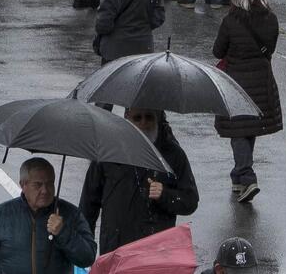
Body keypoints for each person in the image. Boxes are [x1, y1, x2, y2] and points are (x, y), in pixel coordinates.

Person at [78, 107, 199, 252]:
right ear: (127, 118)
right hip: (115, 249)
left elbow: (190, 201)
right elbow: (88, 204)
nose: (143, 123)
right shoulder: (108, 152)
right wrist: (83, 248)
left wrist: (165, 195)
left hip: (157, 251)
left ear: (157, 118)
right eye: (137, 118)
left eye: (149, 117)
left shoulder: (173, 155)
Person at [213, 0, 281, 204]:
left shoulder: (231, 20)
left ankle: (247, 176)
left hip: (236, 82)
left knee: (238, 130)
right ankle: (238, 177)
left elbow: (218, 51)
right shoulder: (271, 18)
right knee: (248, 127)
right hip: (262, 80)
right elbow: (270, 49)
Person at [0, 158, 96, 274]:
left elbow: (87, 258)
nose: (45, 190)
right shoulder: (1, 215)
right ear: (23, 185)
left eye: (50, 183)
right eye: (38, 185)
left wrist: (63, 232)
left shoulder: (70, 214)